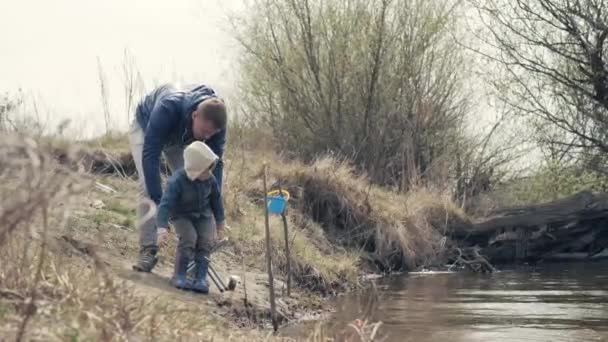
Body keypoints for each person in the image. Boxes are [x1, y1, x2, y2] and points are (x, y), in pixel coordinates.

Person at [129, 83, 227, 273]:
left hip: (182, 137)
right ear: (195, 115)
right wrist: (160, 206)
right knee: (147, 186)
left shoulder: (216, 125)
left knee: (195, 183)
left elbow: (213, 169)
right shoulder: (167, 108)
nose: (207, 138)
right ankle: (148, 249)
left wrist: (213, 210)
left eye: (211, 134)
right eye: (205, 132)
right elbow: (150, 155)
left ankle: (193, 250)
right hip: (146, 128)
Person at [155, 141, 225, 293]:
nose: (209, 173)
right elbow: (165, 205)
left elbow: (216, 201)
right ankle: (180, 275)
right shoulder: (176, 181)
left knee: (205, 241)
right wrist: (162, 229)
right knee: (189, 238)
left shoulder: (210, 180)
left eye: (210, 169)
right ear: (195, 168)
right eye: (205, 170)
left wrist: (220, 223)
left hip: (203, 215)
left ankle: (200, 277)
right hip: (181, 215)